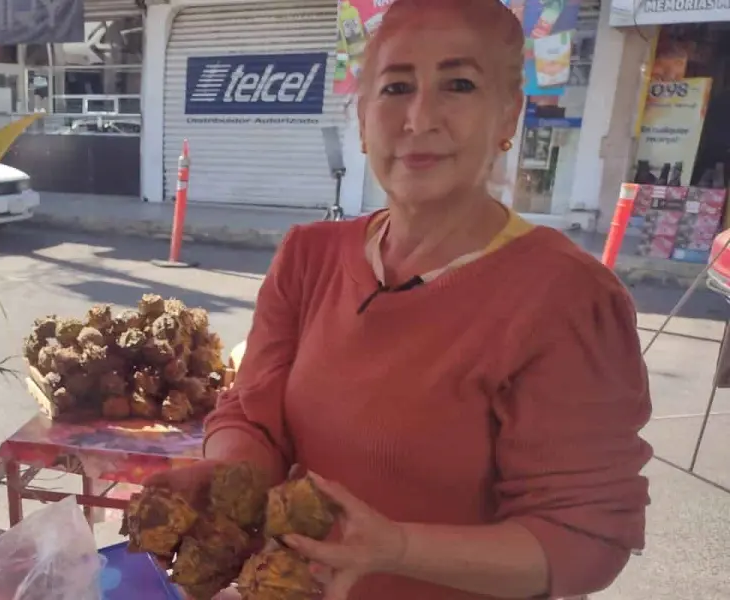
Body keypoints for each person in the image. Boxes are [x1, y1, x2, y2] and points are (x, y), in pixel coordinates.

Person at [145, 1, 652, 599]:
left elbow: (584, 538)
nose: (420, 117)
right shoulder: (310, 255)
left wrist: (398, 550)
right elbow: (253, 413)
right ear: (363, 120)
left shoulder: (567, 298)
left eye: (458, 84)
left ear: (507, 116)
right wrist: (227, 477)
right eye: (396, 87)